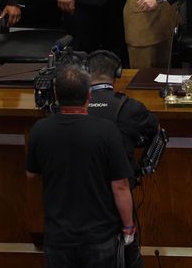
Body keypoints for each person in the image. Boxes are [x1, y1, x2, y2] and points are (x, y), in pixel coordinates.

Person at [26, 64, 135, 268]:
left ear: (56, 95)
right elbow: (120, 185)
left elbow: (31, 174)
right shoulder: (107, 131)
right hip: (99, 236)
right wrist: (128, 226)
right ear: (89, 95)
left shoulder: (40, 130)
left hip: (58, 236)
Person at [87, 49, 159, 268]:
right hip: (117, 203)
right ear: (117, 74)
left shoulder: (72, 107)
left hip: (78, 202)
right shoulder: (130, 108)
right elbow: (154, 130)